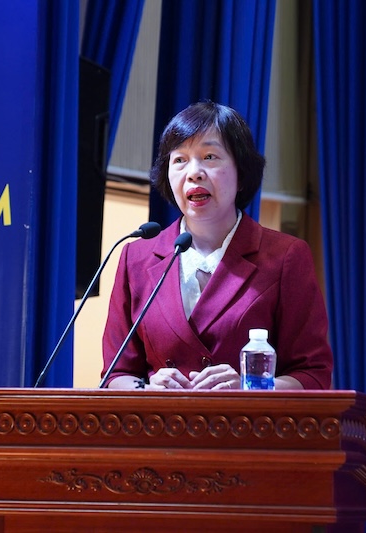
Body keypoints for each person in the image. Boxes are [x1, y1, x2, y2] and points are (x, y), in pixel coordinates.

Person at [101, 101, 333, 390]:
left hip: (246, 432)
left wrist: (249, 388)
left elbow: (313, 375)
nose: (193, 173)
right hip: (160, 432)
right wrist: (147, 390)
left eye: (209, 156)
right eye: (180, 160)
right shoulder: (137, 257)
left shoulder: (285, 257)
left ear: (241, 173)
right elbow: (115, 375)